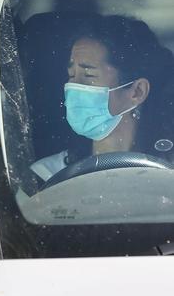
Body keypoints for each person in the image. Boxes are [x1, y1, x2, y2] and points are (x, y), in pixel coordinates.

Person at [31, 14, 174, 182]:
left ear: (137, 91)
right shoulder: (47, 176)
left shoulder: (168, 173)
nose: (73, 86)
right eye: (71, 75)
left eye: (88, 75)